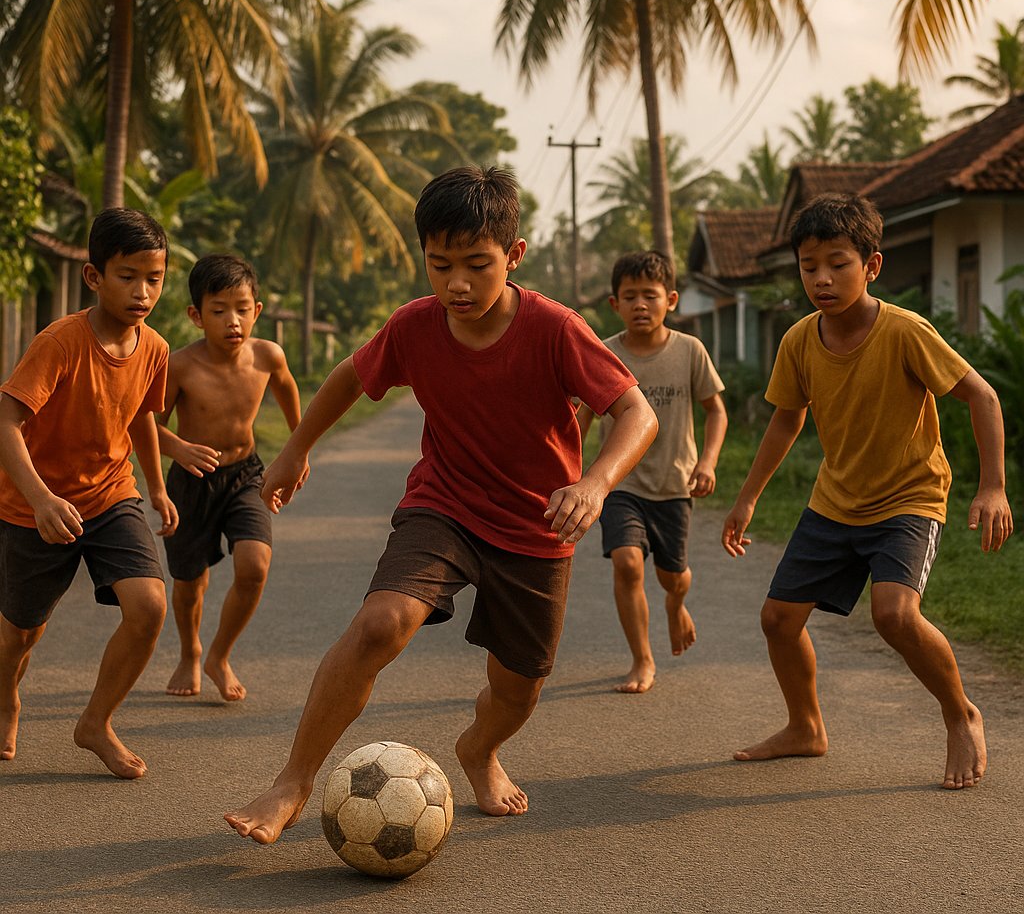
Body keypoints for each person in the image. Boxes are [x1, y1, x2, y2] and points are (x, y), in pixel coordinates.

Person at [224, 165, 658, 844]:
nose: (456, 283)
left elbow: (635, 412)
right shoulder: (415, 327)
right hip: (445, 504)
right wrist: (294, 448)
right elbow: (349, 377)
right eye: (440, 264)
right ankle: (292, 781)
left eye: (477, 265)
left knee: (517, 691)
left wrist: (594, 483)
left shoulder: (554, 328)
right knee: (379, 624)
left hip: (536, 526)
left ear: (513, 257)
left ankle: (479, 749)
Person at [721, 192, 1013, 790]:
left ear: (871, 266)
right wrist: (748, 497)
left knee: (894, 614)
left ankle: (961, 713)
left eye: (838, 263)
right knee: (778, 619)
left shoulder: (905, 332)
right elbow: (785, 419)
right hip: (836, 500)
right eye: (809, 267)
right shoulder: (800, 340)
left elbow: (983, 396)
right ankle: (806, 727)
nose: (822, 278)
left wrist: (994, 488)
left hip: (909, 497)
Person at [0, 207, 176, 779]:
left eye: (154, 278)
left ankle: (96, 722)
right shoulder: (61, 342)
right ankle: (6, 700)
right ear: (94, 277)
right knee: (18, 636)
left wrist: (154, 486)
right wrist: (42, 499)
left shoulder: (155, 348)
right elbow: (6, 422)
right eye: (128, 276)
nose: (142, 291)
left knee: (149, 606)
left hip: (109, 497)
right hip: (32, 506)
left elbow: (144, 417)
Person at [577, 251, 727, 694]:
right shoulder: (603, 352)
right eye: (630, 296)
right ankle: (642, 659)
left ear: (672, 300)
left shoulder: (690, 351)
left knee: (672, 576)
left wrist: (708, 462)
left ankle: (676, 605)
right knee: (627, 564)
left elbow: (715, 412)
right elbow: (582, 416)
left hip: (674, 484)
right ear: (614, 304)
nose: (640, 304)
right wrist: (573, 471)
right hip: (621, 482)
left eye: (650, 295)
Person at [156, 254, 303, 702]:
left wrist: (299, 448)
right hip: (191, 481)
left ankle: (219, 654)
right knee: (189, 583)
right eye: (218, 310)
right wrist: (178, 447)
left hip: (246, 476)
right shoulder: (180, 366)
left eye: (242, 308)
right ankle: (190, 651)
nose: (232, 320)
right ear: (196, 316)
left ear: (256, 310)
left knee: (255, 566)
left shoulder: (267, 356)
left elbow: (290, 392)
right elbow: (143, 426)